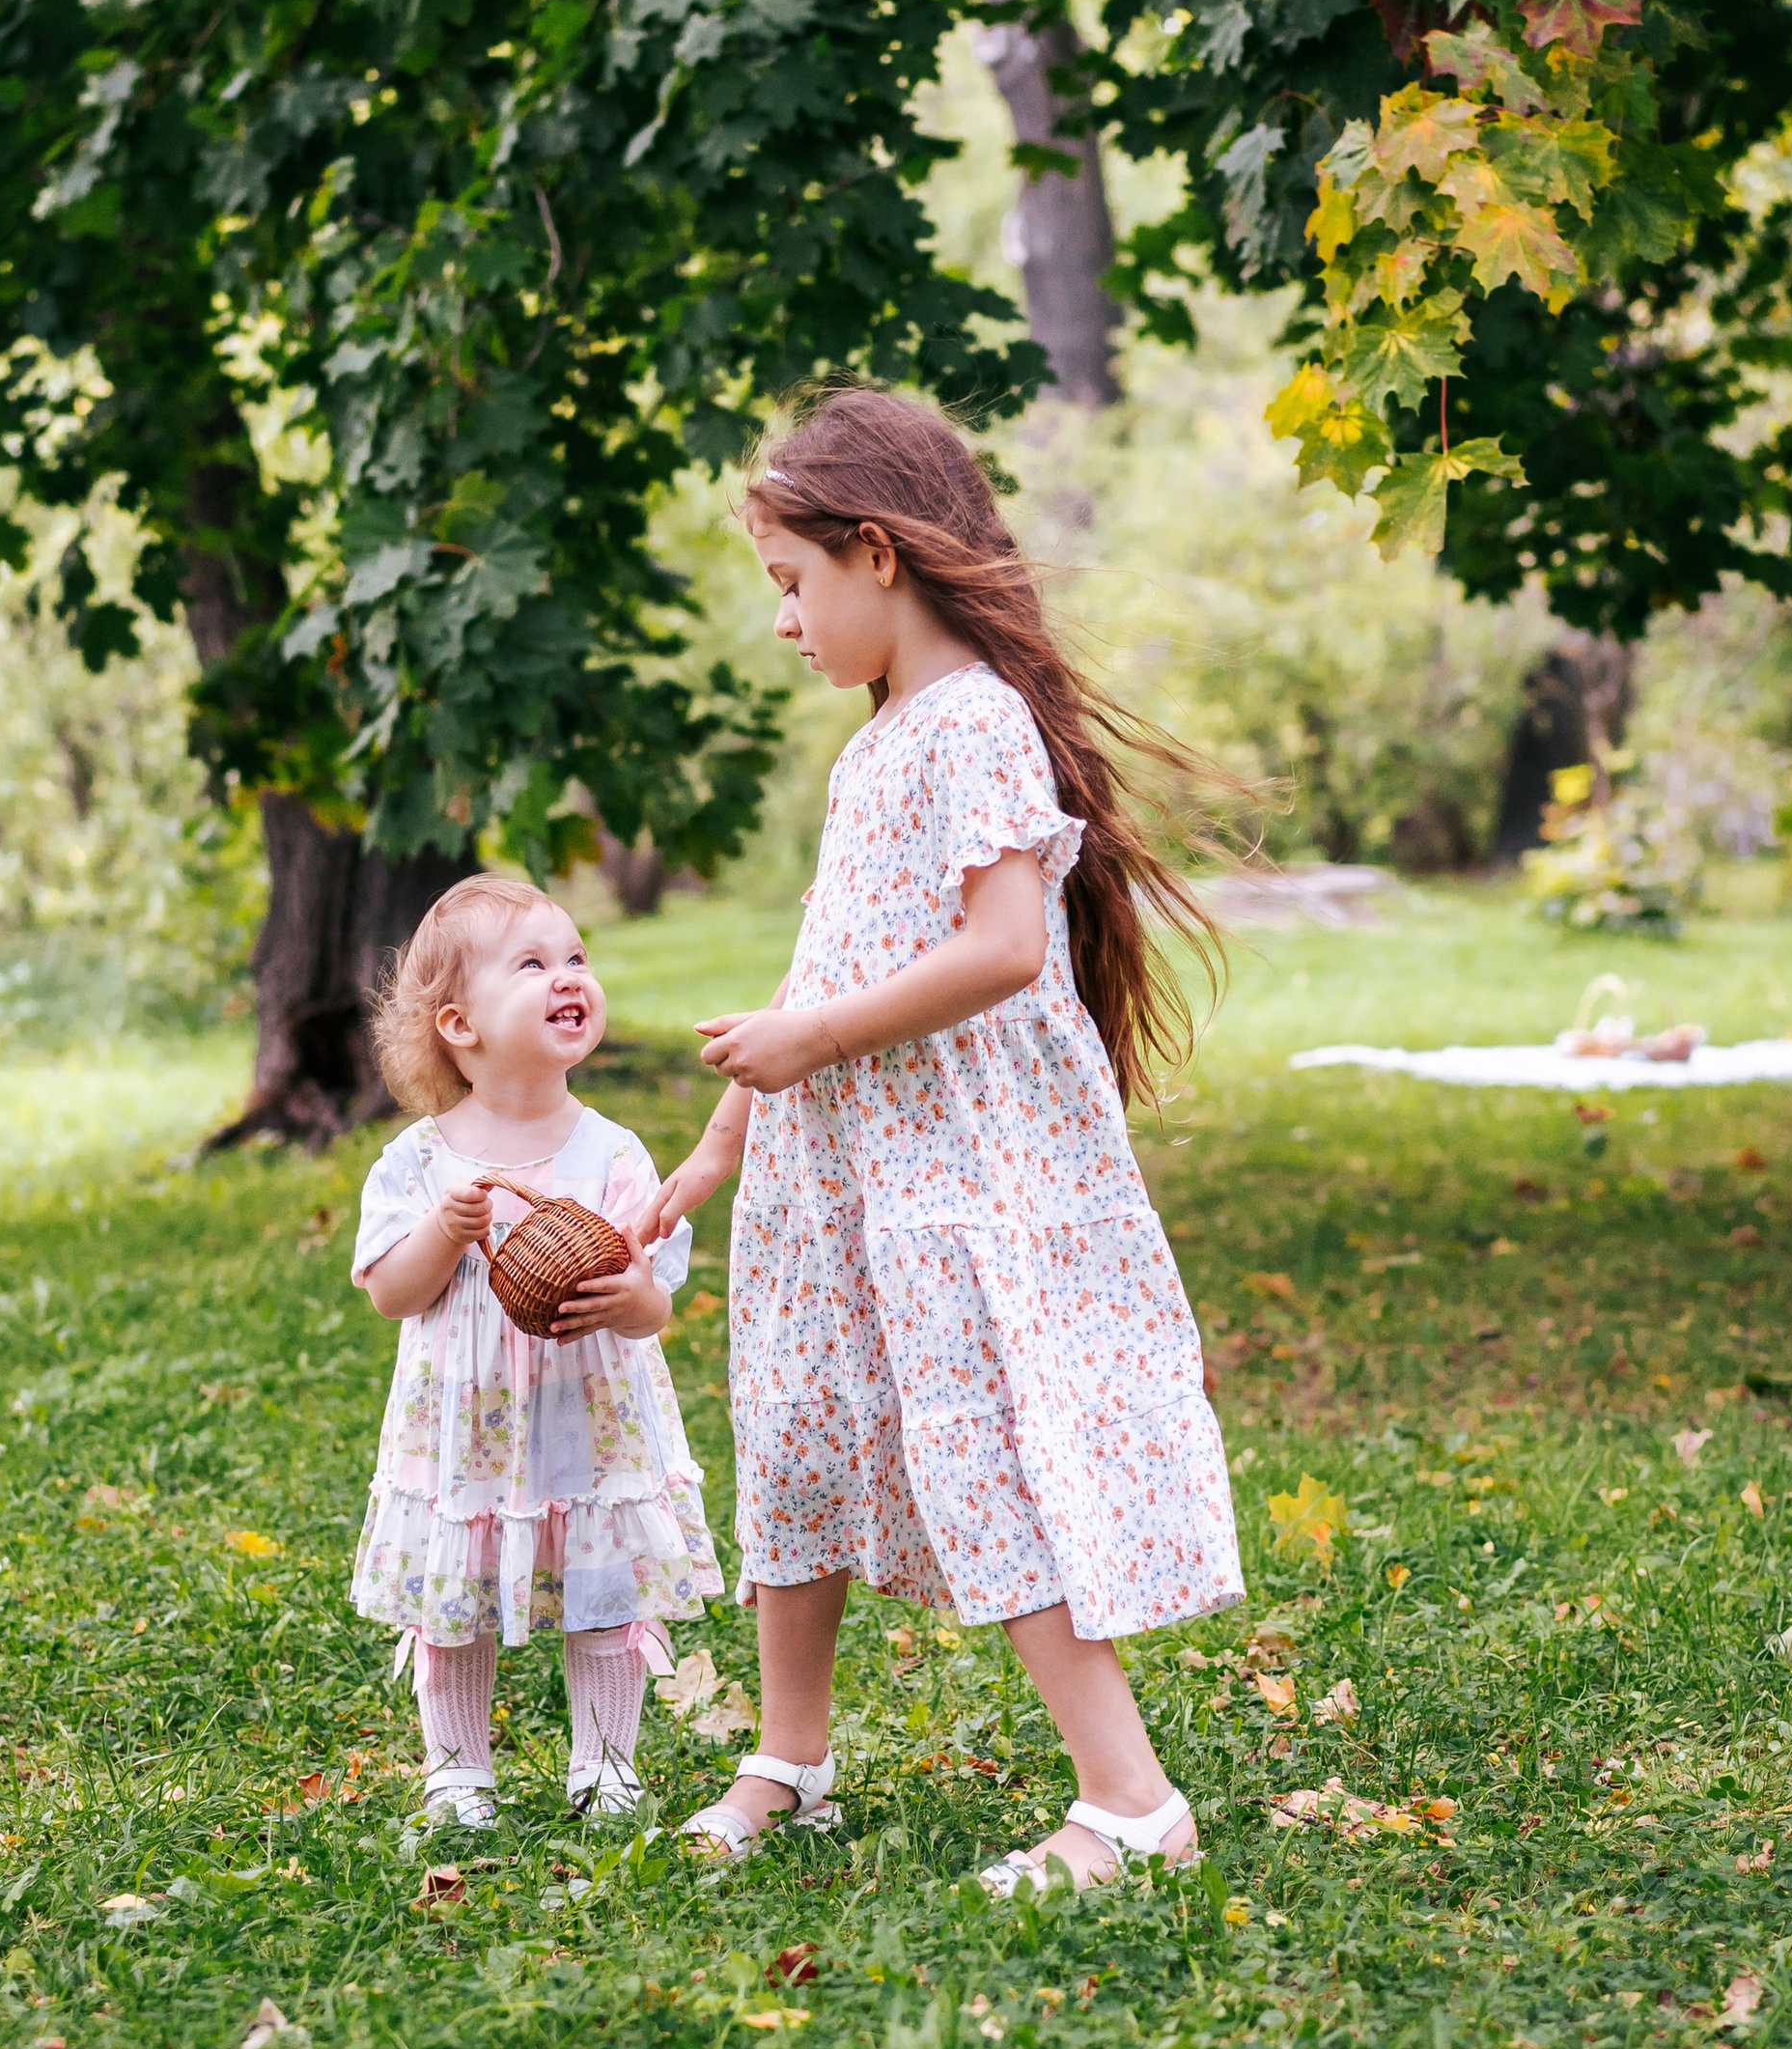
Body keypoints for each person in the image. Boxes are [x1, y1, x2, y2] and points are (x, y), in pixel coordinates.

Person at [642, 388, 1241, 1893]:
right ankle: (791, 1753)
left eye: (793, 582)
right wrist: (721, 1143)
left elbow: (1002, 949)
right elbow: (828, 960)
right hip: (835, 1174)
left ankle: (1132, 1802)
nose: (784, 622)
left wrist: (816, 1044)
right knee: (795, 1432)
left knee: (993, 1455)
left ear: (879, 555)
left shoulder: (974, 723)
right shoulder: (880, 744)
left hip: (957, 1172)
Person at [350, 873, 722, 1824]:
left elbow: (652, 1313)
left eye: (576, 957)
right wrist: (445, 1226)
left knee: (602, 1598)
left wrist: (631, 1293)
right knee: (454, 1605)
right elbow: (394, 1291)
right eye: (531, 963)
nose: (567, 976)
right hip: (468, 1433)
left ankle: (604, 1765)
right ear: (460, 1025)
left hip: (585, 1424)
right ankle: (458, 1770)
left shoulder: (612, 1154)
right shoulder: (421, 1161)